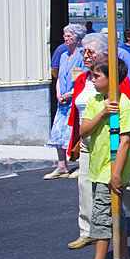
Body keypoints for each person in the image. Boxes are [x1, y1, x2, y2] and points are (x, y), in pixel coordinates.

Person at [66, 33, 130, 249]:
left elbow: (128, 111)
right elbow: (77, 112)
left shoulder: (116, 83)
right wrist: (77, 139)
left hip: (111, 141)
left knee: (123, 184)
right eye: (84, 52)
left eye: (91, 52)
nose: (86, 56)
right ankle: (88, 230)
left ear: (104, 54)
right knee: (85, 184)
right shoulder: (82, 79)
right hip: (89, 140)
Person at [69, 58, 130, 259]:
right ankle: (124, 257)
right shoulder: (96, 100)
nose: (92, 79)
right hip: (98, 168)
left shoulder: (123, 104)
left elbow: (125, 140)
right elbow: (83, 130)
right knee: (114, 213)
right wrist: (102, 114)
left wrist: (116, 174)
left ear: (112, 79)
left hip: (111, 171)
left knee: (101, 217)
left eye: (97, 76)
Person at [45, 24, 87, 179]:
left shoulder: (82, 55)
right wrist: (58, 94)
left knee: (76, 133)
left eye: (69, 35)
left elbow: (81, 79)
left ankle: (82, 165)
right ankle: (61, 166)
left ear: (78, 38)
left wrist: (70, 94)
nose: (66, 38)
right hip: (62, 101)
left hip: (74, 99)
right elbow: (58, 77)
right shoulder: (63, 56)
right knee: (58, 133)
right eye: (65, 35)